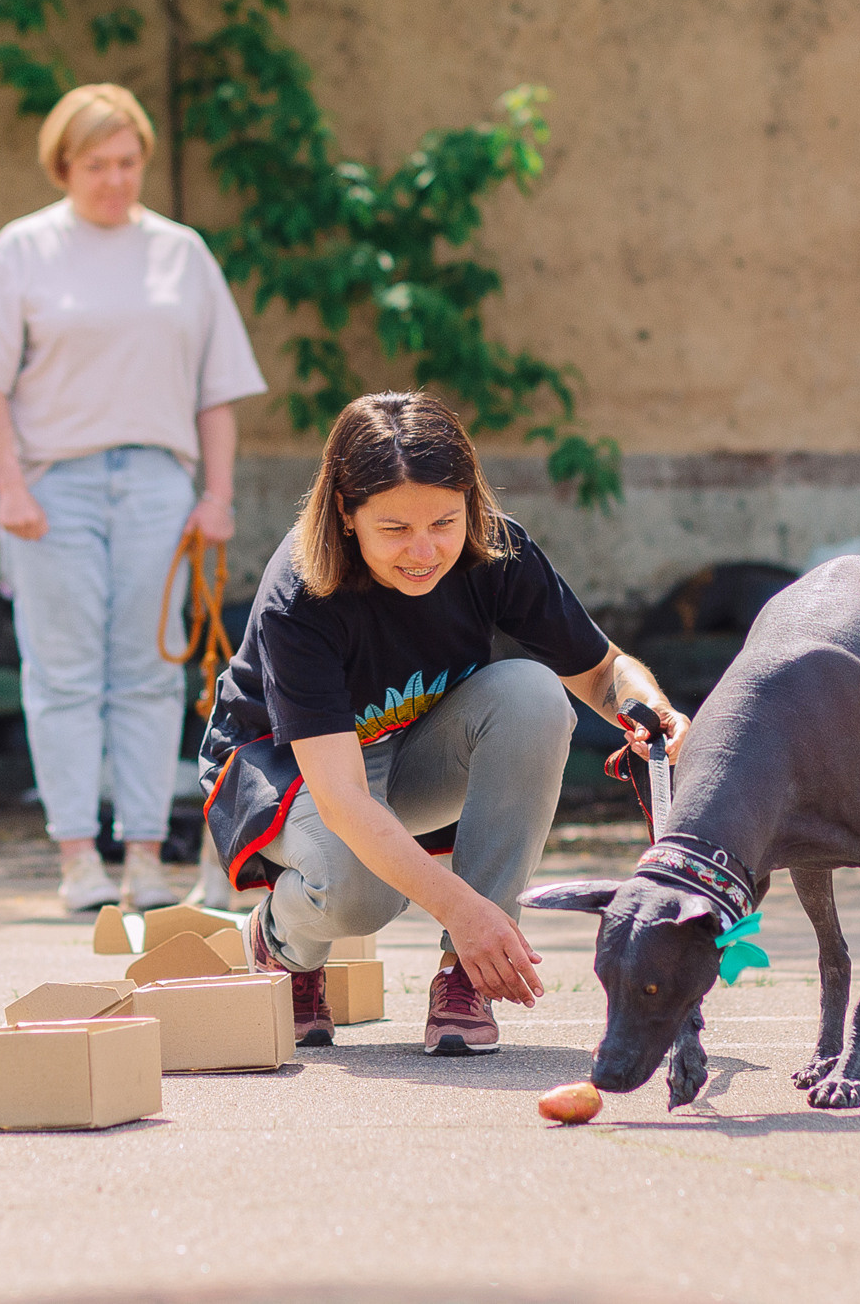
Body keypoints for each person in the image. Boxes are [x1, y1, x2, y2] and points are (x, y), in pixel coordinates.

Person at [200, 391, 690, 1053]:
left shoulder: (495, 550)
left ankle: (466, 974)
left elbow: (601, 670)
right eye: (395, 529)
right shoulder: (301, 596)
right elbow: (344, 798)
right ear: (346, 512)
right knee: (360, 891)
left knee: (535, 693)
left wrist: (648, 707)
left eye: (444, 521)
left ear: (470, 502)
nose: (425, 550)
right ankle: (279, 941)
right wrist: (460, 910)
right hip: (284, 769)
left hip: (410, 751)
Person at [0, 83, 266, 916]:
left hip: (160, 482)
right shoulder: (21, 250)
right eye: (97, 165)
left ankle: (147, 857)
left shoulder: (182, 253)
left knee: (153, 673)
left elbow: (216, 392)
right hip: (56, 485)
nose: (116, 180)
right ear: (64, 164)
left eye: (128, 163)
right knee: (62, 672)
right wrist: (10, 486)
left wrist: (217, 494)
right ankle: (78, 856)